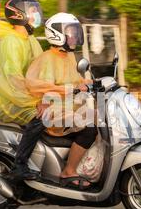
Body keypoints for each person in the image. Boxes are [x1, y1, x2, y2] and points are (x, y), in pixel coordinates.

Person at [0, 0, 44, 182]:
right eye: (32, 10)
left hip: (22, 94)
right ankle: (19, 166)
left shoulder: (30, 40)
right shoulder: (11, 41)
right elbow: (13, 80)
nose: (36, 13)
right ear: (19, 14)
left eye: (36, 9)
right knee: (39, 119)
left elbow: (43, 67)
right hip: (6, 99)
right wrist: (36, 100)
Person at [23, 12, 97, 189]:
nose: (74, 37)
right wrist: (73, 89)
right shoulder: (48, 58)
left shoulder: (69, 56)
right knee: (90, 128)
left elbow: (73, 80)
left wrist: (89, 82)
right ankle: (68, 171)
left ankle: (89, 165)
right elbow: (46, 87)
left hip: (69, 106)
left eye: (75, 32)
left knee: (102, 119)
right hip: (54, 110)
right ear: (56, 34)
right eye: (71, 32)